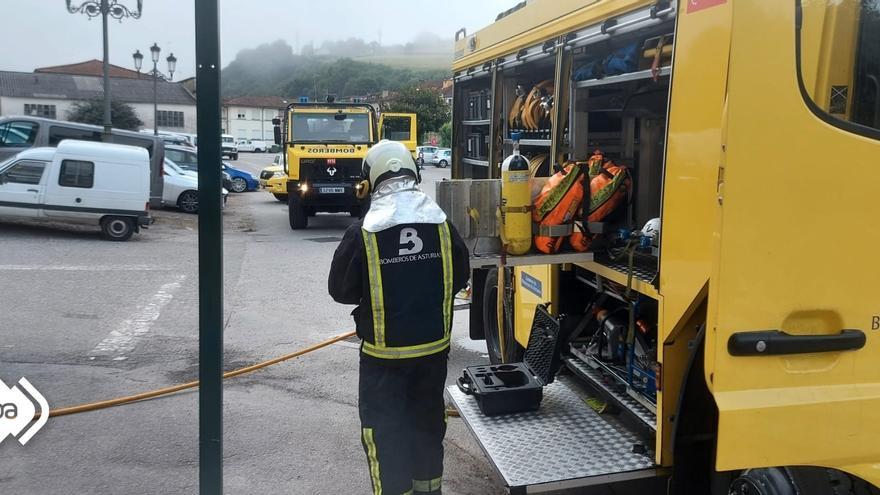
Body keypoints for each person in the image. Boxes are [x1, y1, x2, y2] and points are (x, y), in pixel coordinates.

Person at [329, 140, 470, 495]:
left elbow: (340, 291)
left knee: (385, 439)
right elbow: (462, 276)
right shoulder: (441, 224)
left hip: (383, 363)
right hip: (433, 357)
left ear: (370, 181)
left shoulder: (363, 230)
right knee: (426, 432)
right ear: (415, 173)